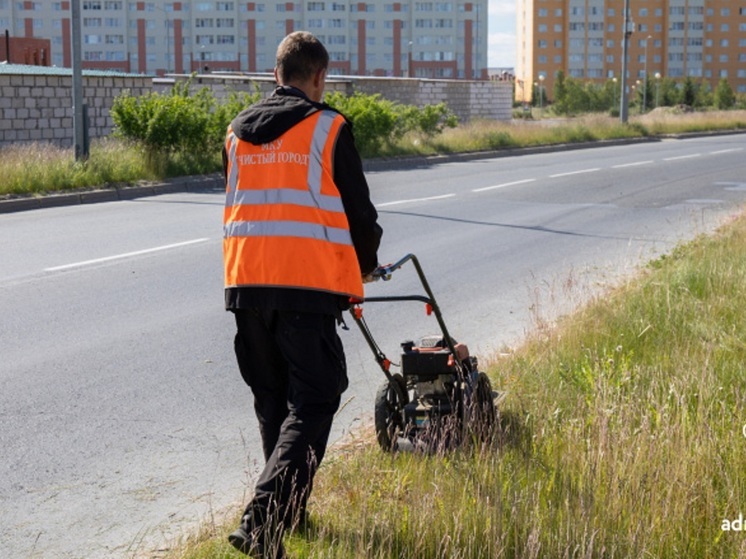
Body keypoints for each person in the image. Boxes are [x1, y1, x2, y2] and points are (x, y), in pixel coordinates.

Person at [222, 31, 382, 558]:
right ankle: (263, 520)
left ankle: (289, 516)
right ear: (318, 78)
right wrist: (365, 265)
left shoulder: (235, 134)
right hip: (304, 287)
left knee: (275, 403)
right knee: (315, 397)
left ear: (275, 75)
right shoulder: (328, 127)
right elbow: (359, 214)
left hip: (245, 286)